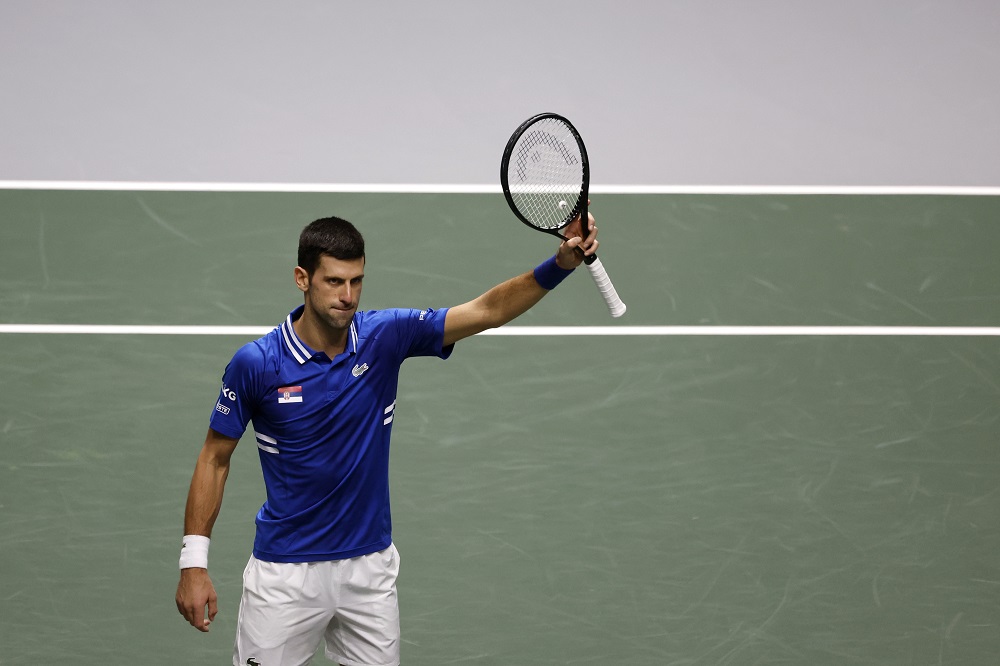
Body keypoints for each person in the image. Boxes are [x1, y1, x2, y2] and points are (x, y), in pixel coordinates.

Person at [175, 209, 599, 666]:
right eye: (334, 282)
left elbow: (487, 311)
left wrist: (560, 265)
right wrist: (193, 563)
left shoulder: (386, 336)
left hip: (369, 572)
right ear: (302, 279)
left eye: (356, 281)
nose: (347, 296)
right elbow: (214, 458)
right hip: (285, 575)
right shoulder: (257, 363)